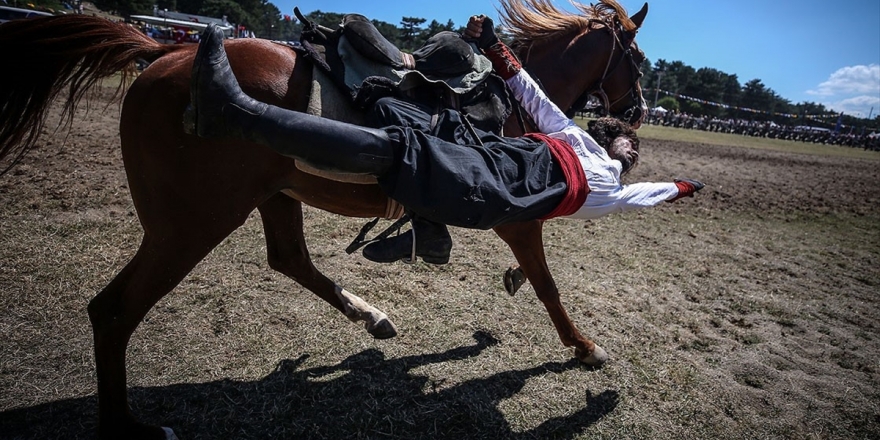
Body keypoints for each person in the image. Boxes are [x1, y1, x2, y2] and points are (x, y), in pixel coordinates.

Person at [184, 16, 704, 264]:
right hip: (495, 156)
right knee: (395, 110)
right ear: (607, 137)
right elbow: (531, 93)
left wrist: (679, 186)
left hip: (497, 190)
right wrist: (495, 45)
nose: (630, 147)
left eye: (633, 153)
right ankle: (428, 232)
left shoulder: (612, 191)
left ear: (625, 164)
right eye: (627, 143)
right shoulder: (571, 134)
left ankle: (239, 114)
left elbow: (649, 194)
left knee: (398, 150)